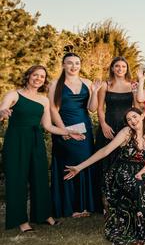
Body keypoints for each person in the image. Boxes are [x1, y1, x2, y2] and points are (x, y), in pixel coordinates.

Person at [63, 107, 145, 245]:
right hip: (122, 170)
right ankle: (135, 230)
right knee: (138, 186)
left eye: (135, 117)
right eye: (129, 119)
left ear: (142, 116)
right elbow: (105, 151)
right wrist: (79, 167)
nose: (132, 121)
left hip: (143, 170)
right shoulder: (126, 133)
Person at [0, 65, 84, 232]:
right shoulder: (14, 94)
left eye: (42, 76)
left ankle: (44, 215)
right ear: (28, 76)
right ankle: (21, 221)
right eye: (35, 75)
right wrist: (3, 112)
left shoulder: (44, 100)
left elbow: (48, 126)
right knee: (18, 179)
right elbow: (3, 107)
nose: (38, 78)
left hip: (36, 140)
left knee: (40, 177)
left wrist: (68, 132)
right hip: (16, 141)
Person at [48, 53, 101, 218]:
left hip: (84, 128)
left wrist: (94, 92)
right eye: (69, 63)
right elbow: (53, 109)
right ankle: (70, 206)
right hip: (64, 127)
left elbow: (92, 109)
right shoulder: (55, 84)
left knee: (84, 162)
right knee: (67, 163)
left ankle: (85, 205)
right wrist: (64, 131)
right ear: (63, 65)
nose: (73, 66)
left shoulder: (87, 82)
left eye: (77, 63)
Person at [96, 56, 135, 206]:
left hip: (126, 127)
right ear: (112, 68)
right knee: (106, 161)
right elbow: (100, 109)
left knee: (123, 161)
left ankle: (123, 198)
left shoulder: (132, 85)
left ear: (127, 69)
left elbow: (136, 106)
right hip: (109, 126)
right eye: (117, 66)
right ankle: (105, 201)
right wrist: (103, 125)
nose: (120, 69)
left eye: (123, 67)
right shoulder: (106, 85)